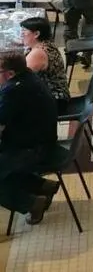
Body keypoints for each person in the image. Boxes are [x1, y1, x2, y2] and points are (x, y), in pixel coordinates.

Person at [0, 52, 60, 225]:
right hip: (44, 141)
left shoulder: (13, 90)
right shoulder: (30, 77)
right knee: (4, 171)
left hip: (33, 150)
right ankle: (42, 186)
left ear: (10, 73)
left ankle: (32, 203)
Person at [21, 17, 70, 115]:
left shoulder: (38, 53)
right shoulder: (46, 44)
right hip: (55, 96)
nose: (21, 35)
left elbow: (20, 78)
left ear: (36, 34)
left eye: (24, 31)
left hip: (54, 102)